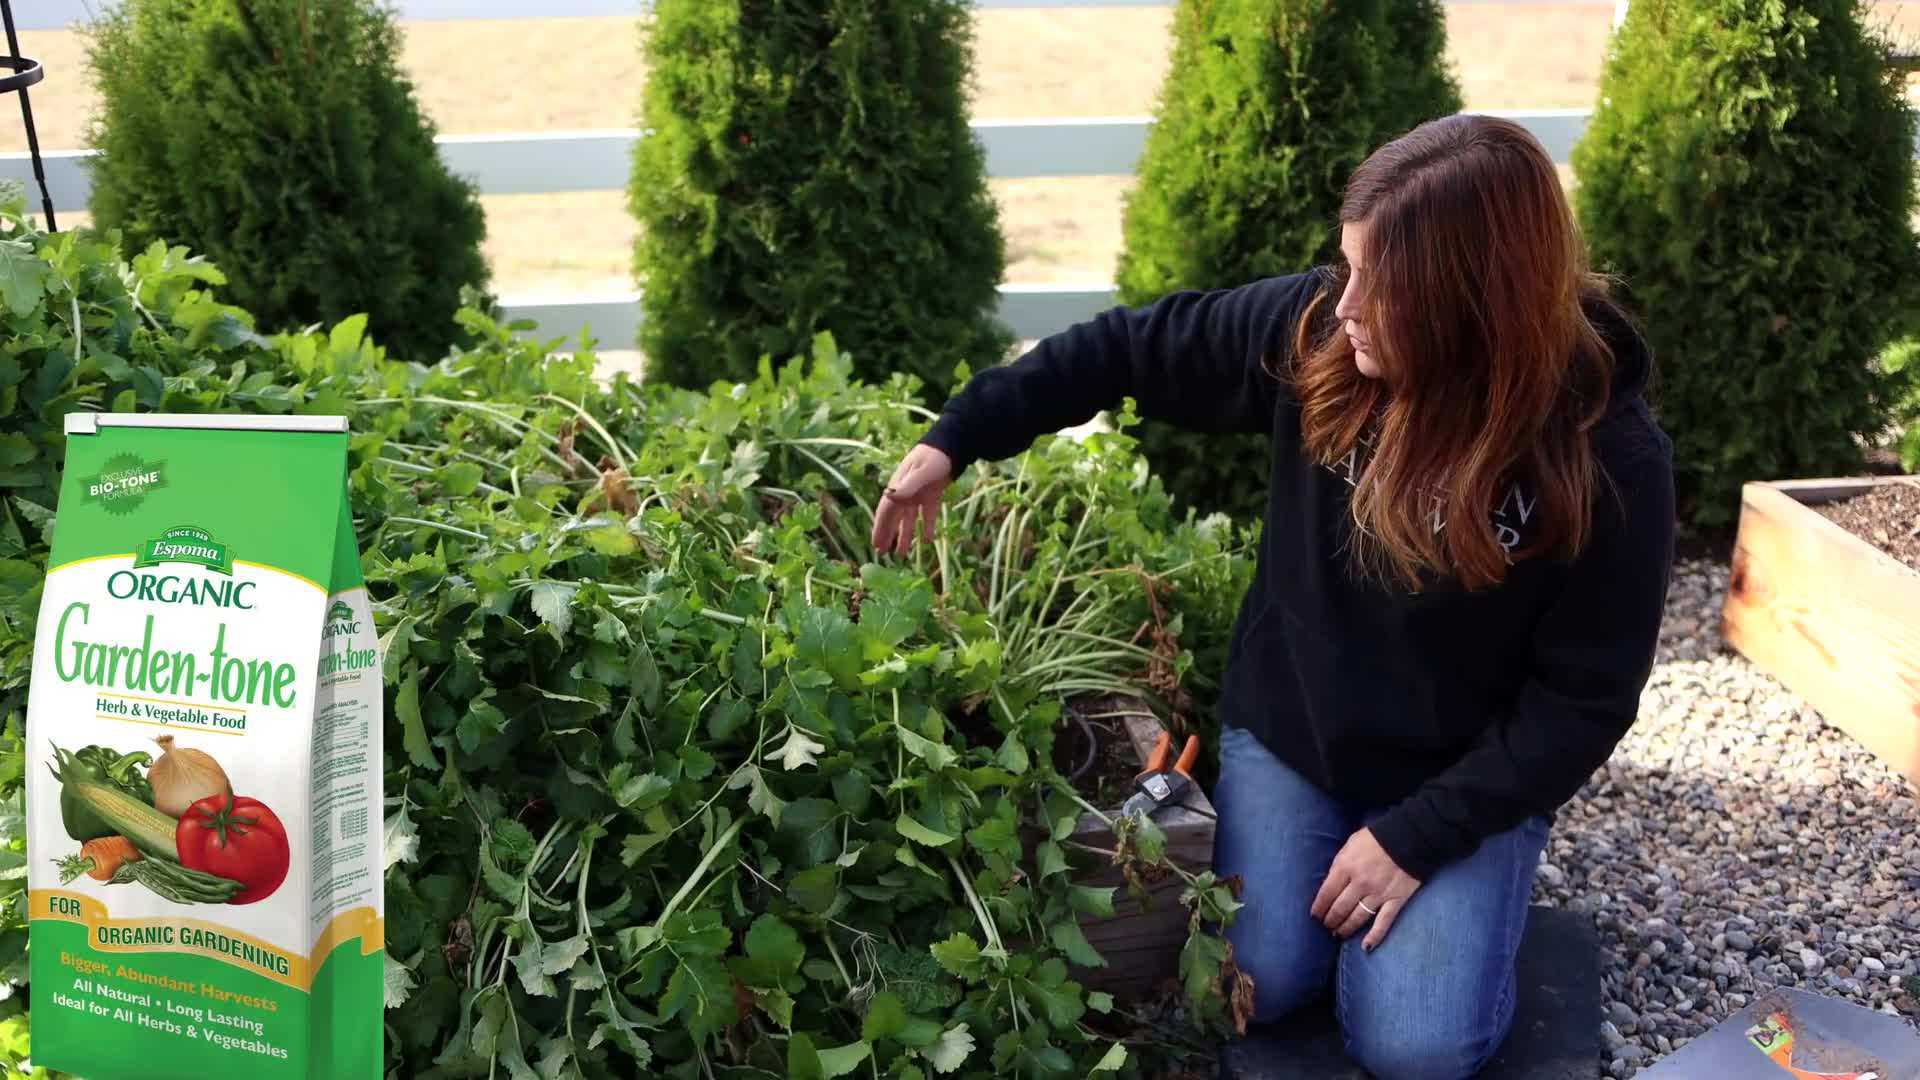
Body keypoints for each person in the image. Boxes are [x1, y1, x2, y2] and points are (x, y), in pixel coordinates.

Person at [868, 113, 1675, 1079]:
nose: (1348, 305)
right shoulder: (1318, 333)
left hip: (1458, 770)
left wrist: (1420, 838)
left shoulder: (1603, 456)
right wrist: (960, 434)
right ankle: (1391, 913)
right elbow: (1129, 347)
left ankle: (1469, 903)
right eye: (1348, 268)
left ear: (1472, 302)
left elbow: (1582, 703)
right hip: (1297, 735)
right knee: (1259, 981)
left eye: (1385, 286)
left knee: (1415, 1048)